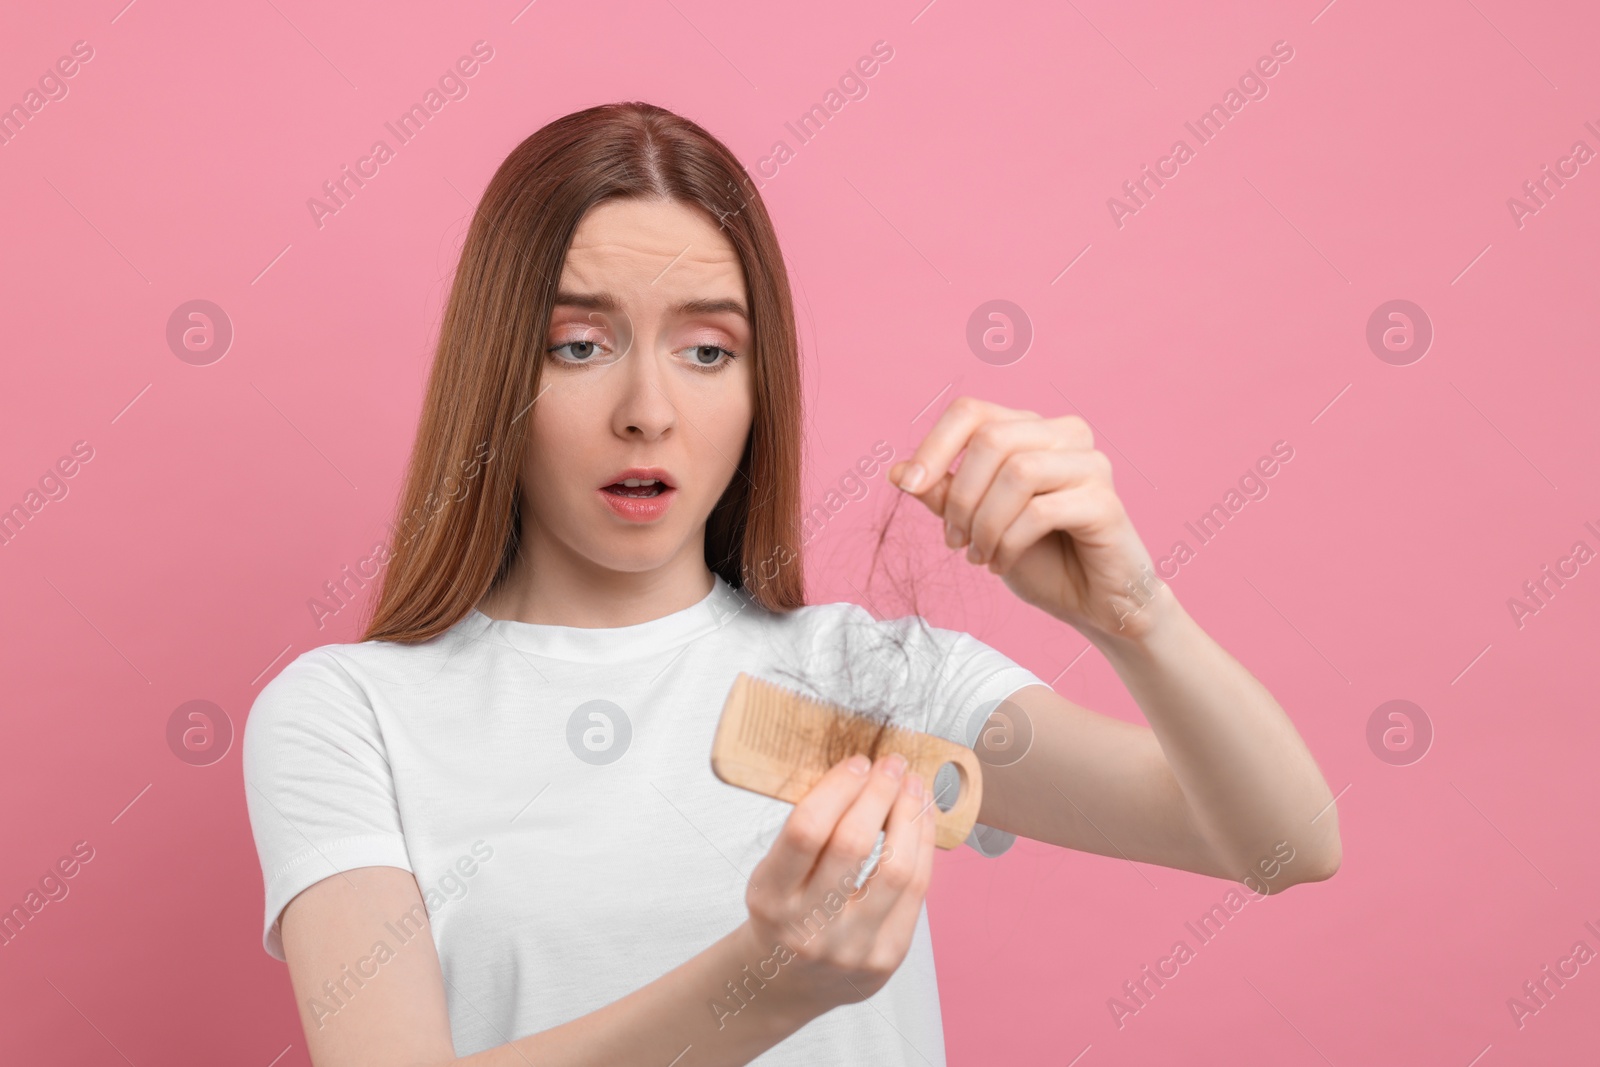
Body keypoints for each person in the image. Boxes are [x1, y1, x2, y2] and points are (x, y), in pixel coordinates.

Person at [242, 101, 1341, 1067]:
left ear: (761, 384)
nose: (648, 408)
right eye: (578, 345)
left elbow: (1284, 843)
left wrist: (1136, 616)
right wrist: (766, 986)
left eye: (708, 351)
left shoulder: (872, 678)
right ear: (495, 372)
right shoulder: (348, 714)